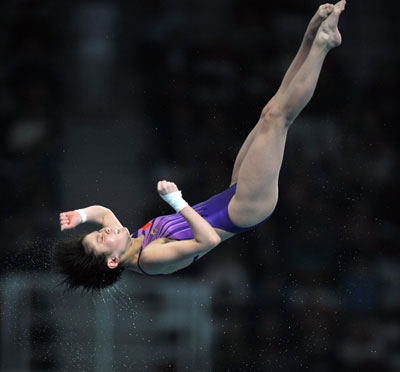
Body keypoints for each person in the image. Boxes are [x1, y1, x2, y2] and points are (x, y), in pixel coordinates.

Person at [55, 1, 346, 292]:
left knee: (270, 111)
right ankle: (322, 46)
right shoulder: (151, 259)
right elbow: (208, 241)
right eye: (102, 240)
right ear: (112, 261)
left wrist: (79, 216)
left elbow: (102, 212)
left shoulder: (127, 239)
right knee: (277, 119)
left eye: (97, 233)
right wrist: (177, 201)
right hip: (245, 209)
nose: (105, 230)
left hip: (233, 195)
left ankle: (310, 38)